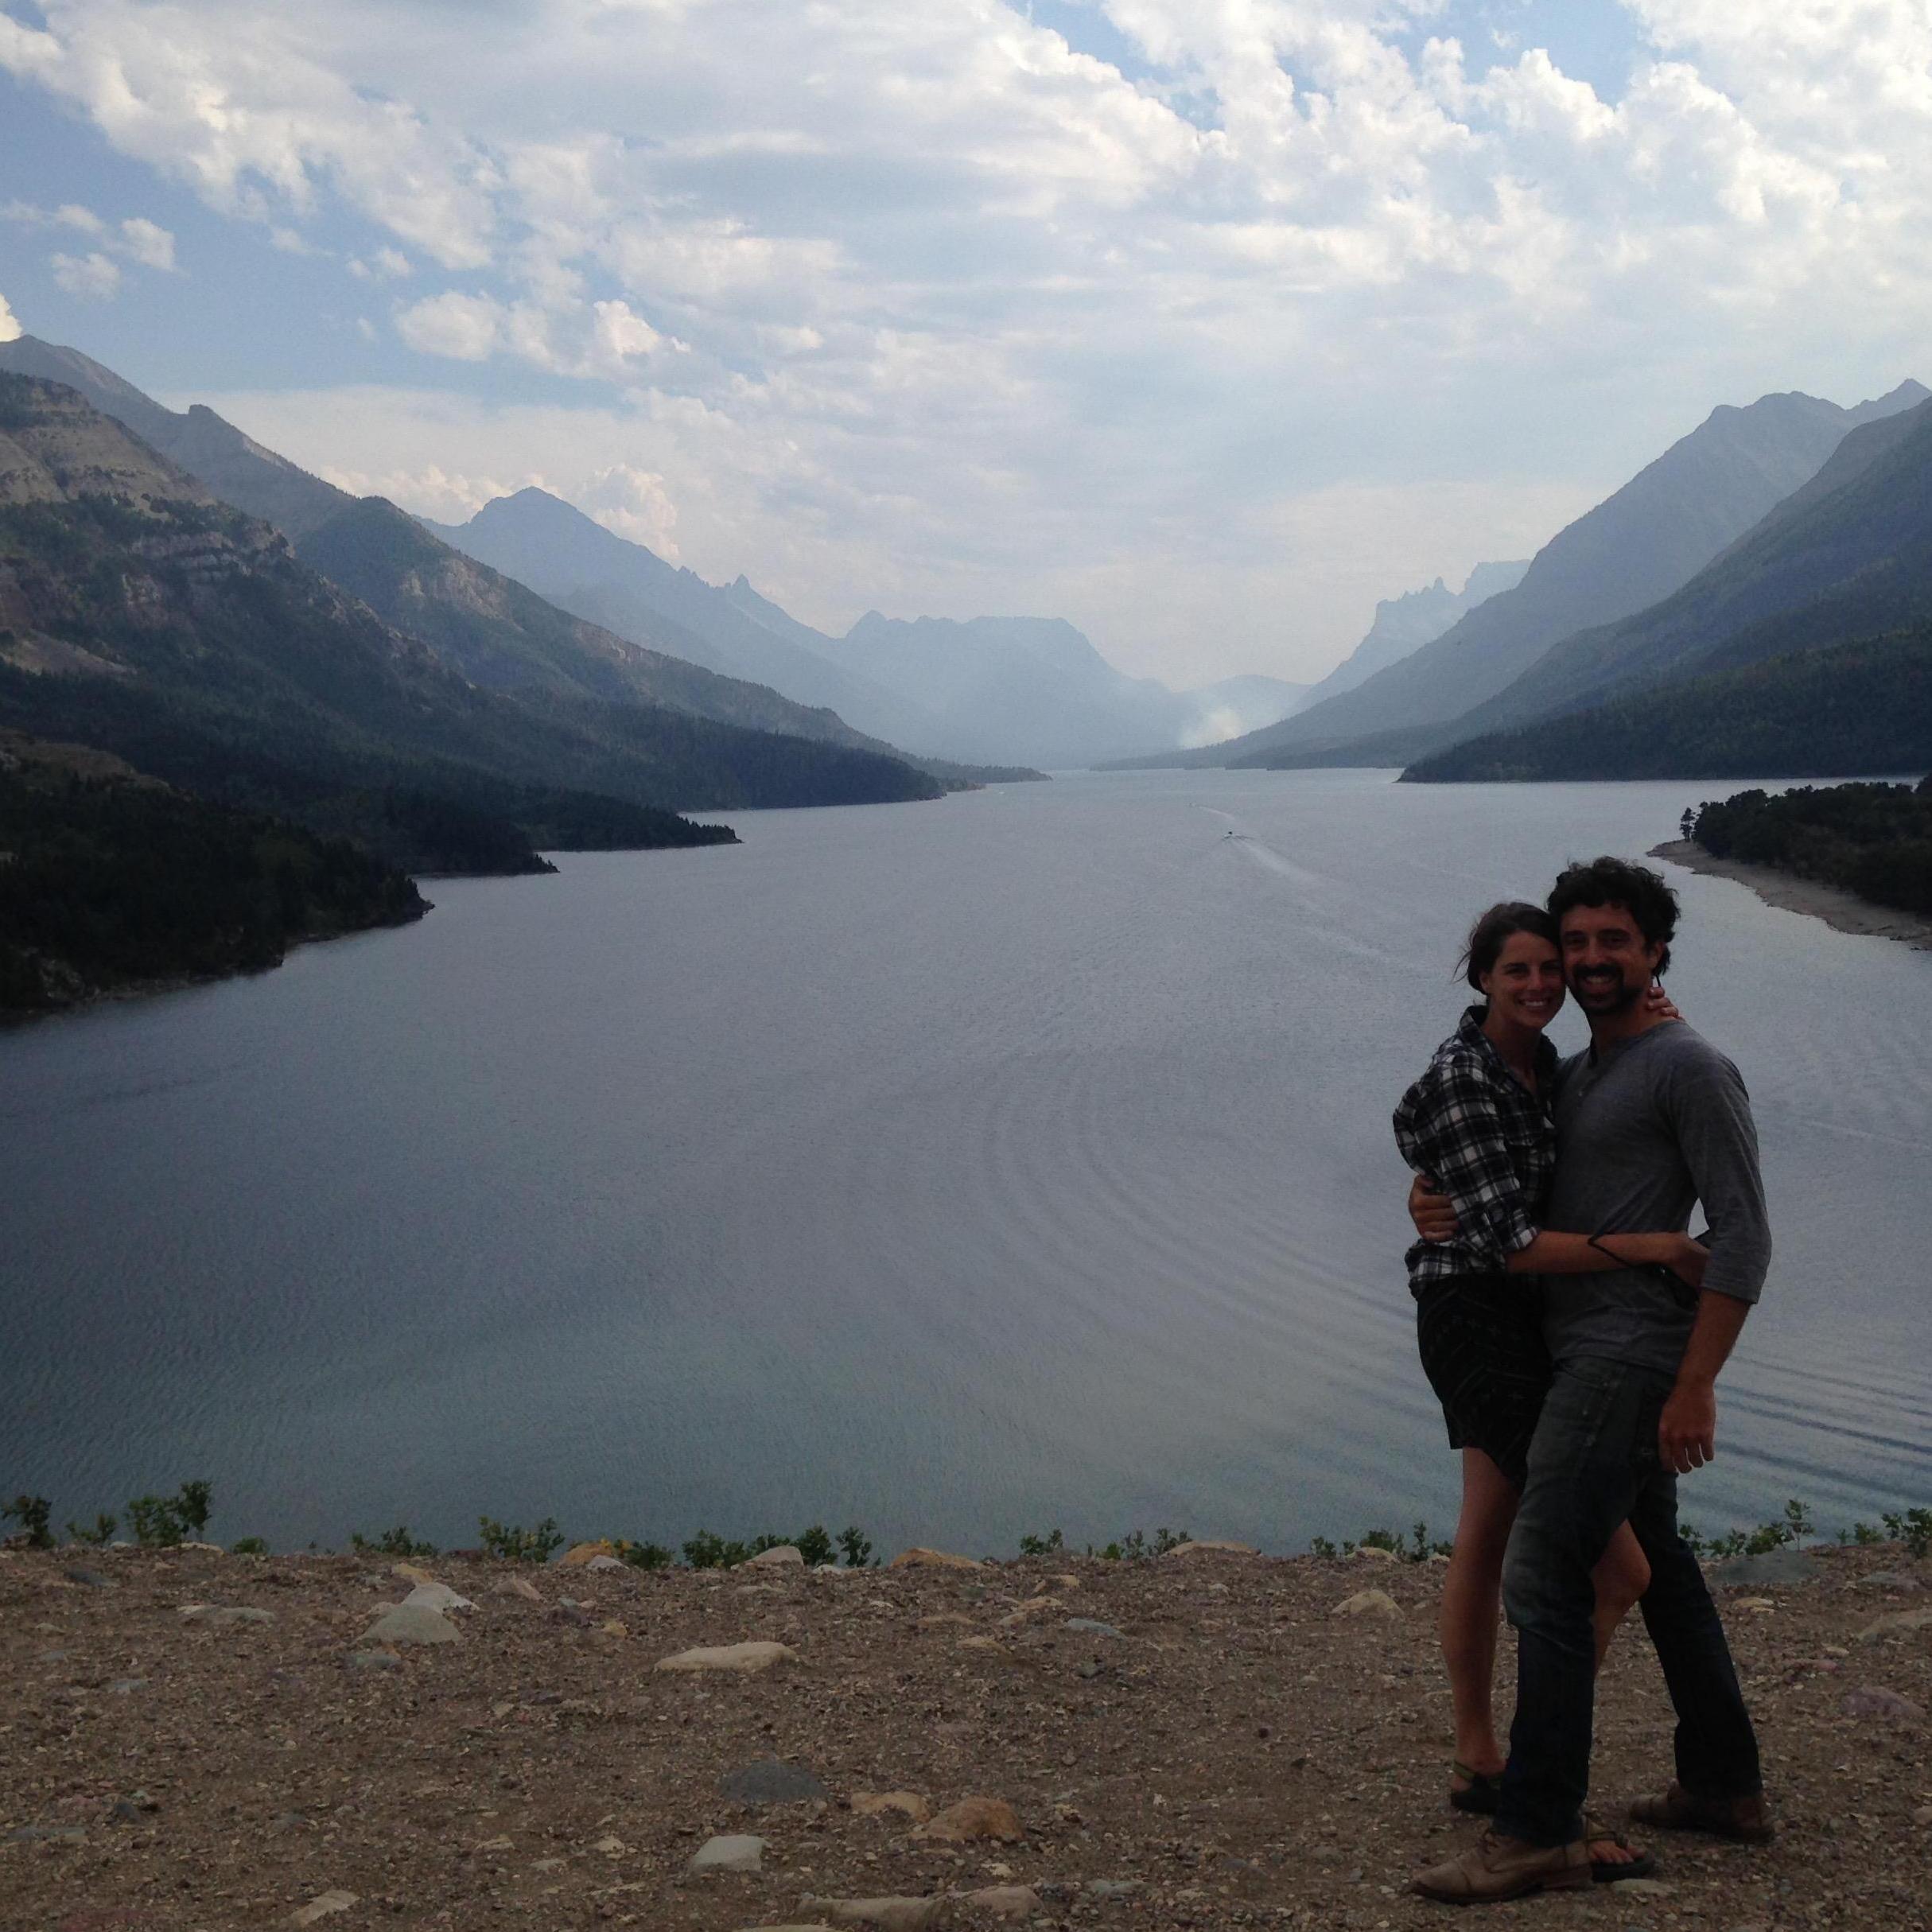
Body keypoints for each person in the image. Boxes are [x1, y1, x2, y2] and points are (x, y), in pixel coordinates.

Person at [1410, 858, 1773, 1904]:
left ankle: (1534, 1828)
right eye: (1577, 944)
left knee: (1547, 1570)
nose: (1589, 960)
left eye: (1615, 940)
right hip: (1569, 1345)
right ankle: (1723, 1784)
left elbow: (1743, 1233)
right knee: (1658, 1560)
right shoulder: (1577, 1069)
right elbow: (1497, 1179)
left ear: (1655, 951)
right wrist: (1427, 1199)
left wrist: (1695, 1378)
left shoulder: (1689, 1066)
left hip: (1624, 1358)